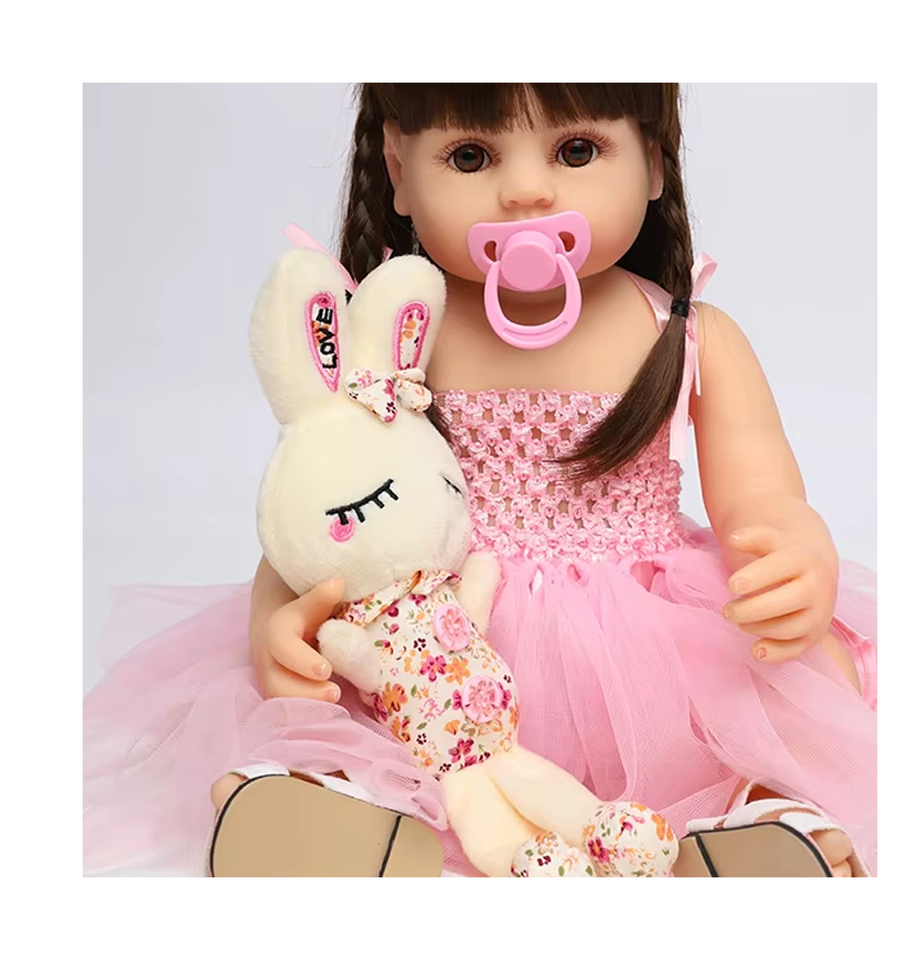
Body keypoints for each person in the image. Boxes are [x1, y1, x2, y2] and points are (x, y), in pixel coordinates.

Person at [83, 83, 876, 878]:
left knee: (769, 699)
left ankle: (757, 821)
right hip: (435, 635)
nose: (526, 190)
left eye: (576, 151)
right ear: (400, 170)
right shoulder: (395, 339)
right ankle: (339, 814)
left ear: (655, 161)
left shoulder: (687, 332)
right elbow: (325, 510)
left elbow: (763, 495)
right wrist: (274, 621)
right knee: (340, 715)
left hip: (644, 649)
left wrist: (794, 550)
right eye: (470, 157)